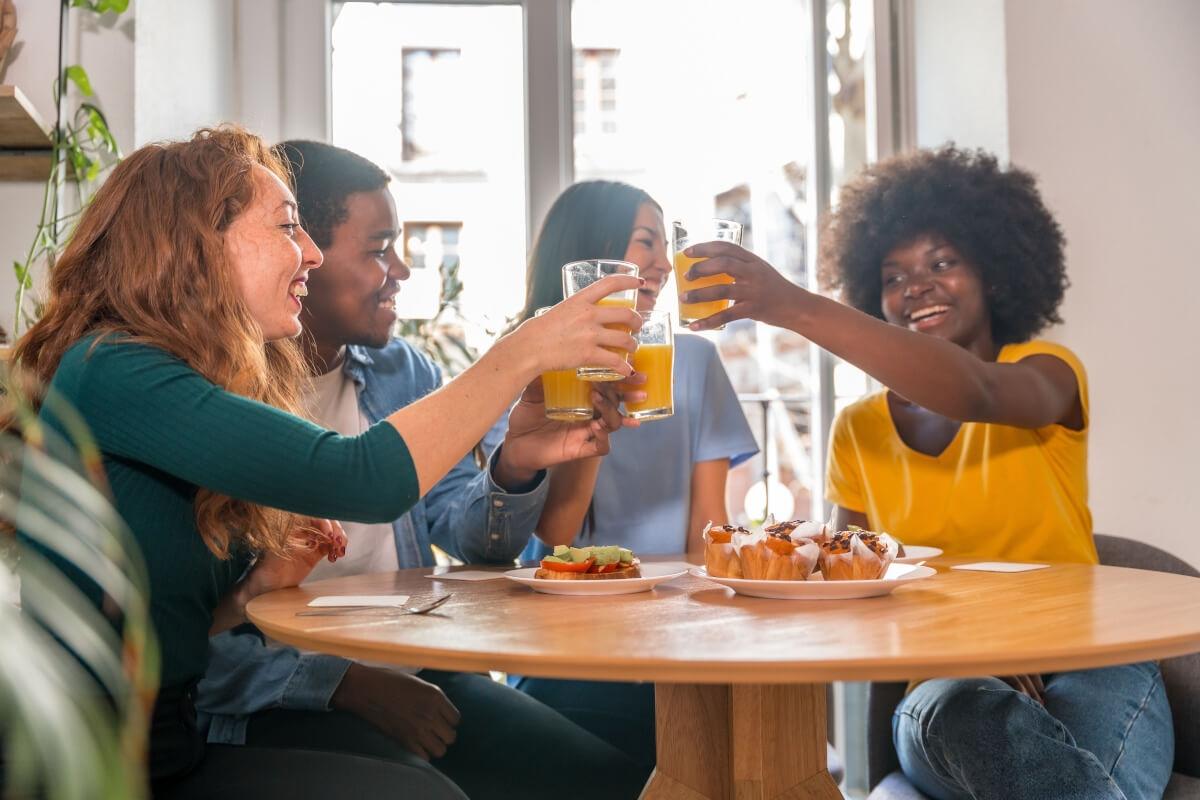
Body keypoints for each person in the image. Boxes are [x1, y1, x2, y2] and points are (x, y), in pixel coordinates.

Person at [14, 126, 643, 799]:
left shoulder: (181, 376)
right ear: (198, 244)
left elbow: (180, 621)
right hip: (97, 768)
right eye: (288, 228)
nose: (308, 252)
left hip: (168, 747)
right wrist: (522, 351)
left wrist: (257, 590)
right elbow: (360, 476)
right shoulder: (117, 368)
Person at [683, 145, 1173, 800]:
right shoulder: (858, 430)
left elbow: (976, 395)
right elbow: (854, 599)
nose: (916, 285)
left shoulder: (1049, 374)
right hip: (948, 691)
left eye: (942, 262)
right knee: (964, 713)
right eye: (894, 275)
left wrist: (791, 305)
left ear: (994, 275)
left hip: (1088, 659)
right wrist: (888, 758)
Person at [196, 140, 648, 800]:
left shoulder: (402, 372)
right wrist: (344, 684)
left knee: (611, 783)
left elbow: (473, 541)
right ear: (303, 260)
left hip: (418, 665)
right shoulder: (216, 397)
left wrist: (517, 464)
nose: (402, 269)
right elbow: (190, 641)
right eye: (379, 249)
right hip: (281, 698)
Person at [506, 180, 758, 770]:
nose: (666, 265)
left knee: (740, 736)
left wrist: (706, 635)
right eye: (646, 241)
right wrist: (596, 420)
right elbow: (557, 533)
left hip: (677, 628)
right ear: (592, 255)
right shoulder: (527, 367)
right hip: (570, 637)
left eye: (664, 245)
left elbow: (708, 531)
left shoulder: (690, 359)